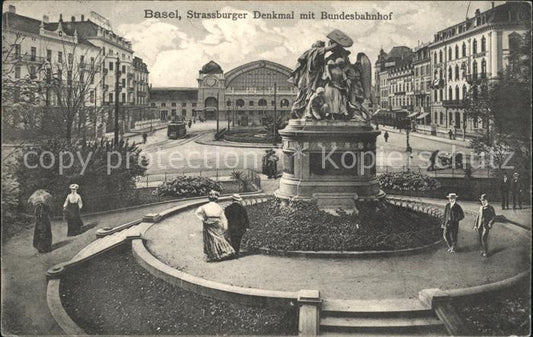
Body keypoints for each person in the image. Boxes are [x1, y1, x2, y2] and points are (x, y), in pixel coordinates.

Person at [195, 190, 235, 262]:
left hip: (208, 222)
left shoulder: (204, 206)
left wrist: (203, 219)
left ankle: (213, 255)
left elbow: (197, 213)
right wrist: (225, 227)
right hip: (217, 223)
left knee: (211, 239)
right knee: (219, 237)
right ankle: (225, 251)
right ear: (217, 199)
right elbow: (223, 218)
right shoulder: (219, 207)